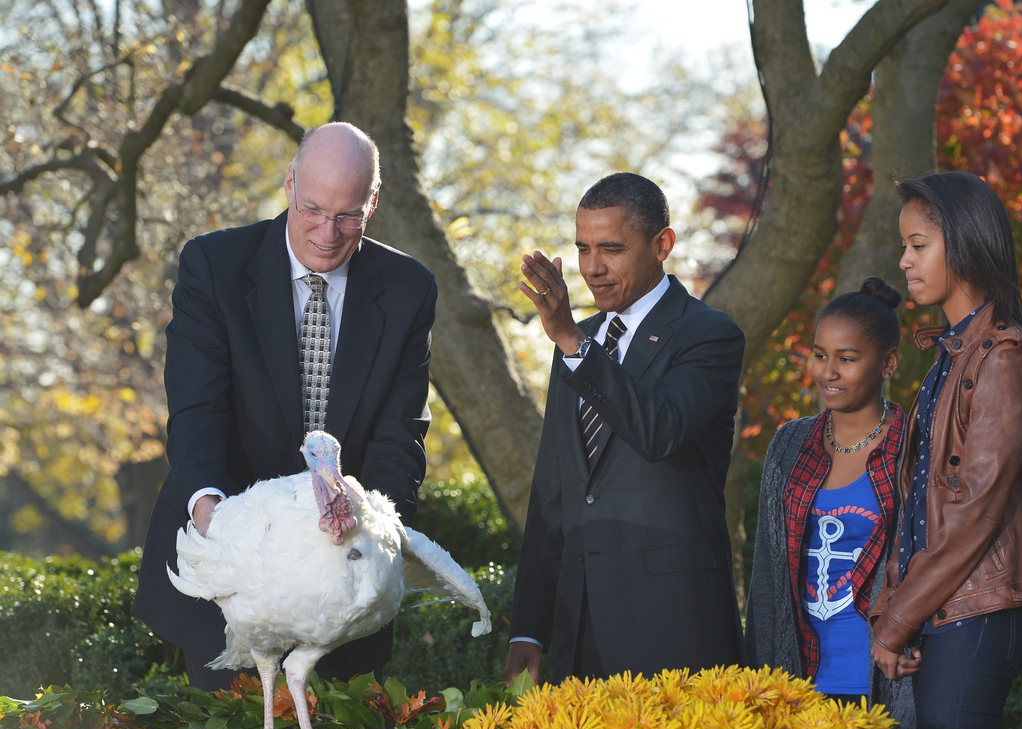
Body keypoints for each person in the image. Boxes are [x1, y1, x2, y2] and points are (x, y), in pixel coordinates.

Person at [133, 122, 437, 691]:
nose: (327, 232)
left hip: (346, 583)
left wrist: (374, 532)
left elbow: (400, 434)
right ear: (290, 184)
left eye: (348, 216)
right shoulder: (213, 267)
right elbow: (198, 413)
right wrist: (212, 519)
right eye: (313, 209)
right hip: (232, 569)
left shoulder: (408, 289)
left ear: (372, 202)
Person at [869, 171, 1022, 729]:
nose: (903, 260)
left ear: (966, 244)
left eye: (918, 245)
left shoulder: (1003, 357)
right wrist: (895, 611)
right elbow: (919, 506)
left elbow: (974, 511)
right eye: (905, 245)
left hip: (982, 609)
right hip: (949, 608)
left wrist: (899, 620)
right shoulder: (951, 356)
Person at [503, 172, 745, 685]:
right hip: (576, 628)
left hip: (672, 627)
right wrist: (529, 627)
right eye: (583, 249)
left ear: (663, 245)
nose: (592, 268)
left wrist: (572, 342)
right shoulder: (579, 341)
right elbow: (554, 489)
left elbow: (660, 429)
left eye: (611, 249)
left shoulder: (709, 334)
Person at [746, 278, 915, 725]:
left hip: (882, 676)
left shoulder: (915, 449)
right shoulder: (789, 444)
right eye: (820, 355)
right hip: (798, 679)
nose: (828, 372)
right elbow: (768, 572)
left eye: (847, 358)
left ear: (888, 363)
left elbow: (932, 558)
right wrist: (760, 678)